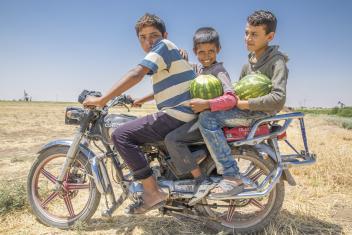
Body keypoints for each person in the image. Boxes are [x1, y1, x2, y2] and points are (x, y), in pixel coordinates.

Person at [83, 13, 197, 214]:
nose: (148, 41)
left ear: (164, 34)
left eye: (153, 35)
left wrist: (102, 101)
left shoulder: (164, 46)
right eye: (142, 38)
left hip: (178, 113)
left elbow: (136, 74)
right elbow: (166, 86)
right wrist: (140, 100)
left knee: (121, 134)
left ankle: (152, 192)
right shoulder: (167, 52)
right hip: (183, 113)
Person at [197, 10, 289, 198]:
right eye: (246, 32)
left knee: (207, 119)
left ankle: (231, 176)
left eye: (254, 34)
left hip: (259, 114)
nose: (248, 38)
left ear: (269, 36)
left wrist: (245, 104)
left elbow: (278, 99)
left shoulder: (277, 61)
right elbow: (237, 92)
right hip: (245, 110)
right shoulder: (248, 64)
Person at [164, 27, 237, 205]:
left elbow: (231, 98)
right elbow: (186, 69)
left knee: (172, 140)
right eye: (201, 52)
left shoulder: (218, 70)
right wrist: (181, 55)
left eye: (211, 51)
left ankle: (199, 180)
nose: (206, 55)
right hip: (197, 119)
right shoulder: (200, 69)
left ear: (218, 49)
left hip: (207, 122)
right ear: (196, 51)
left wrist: (207, 104)